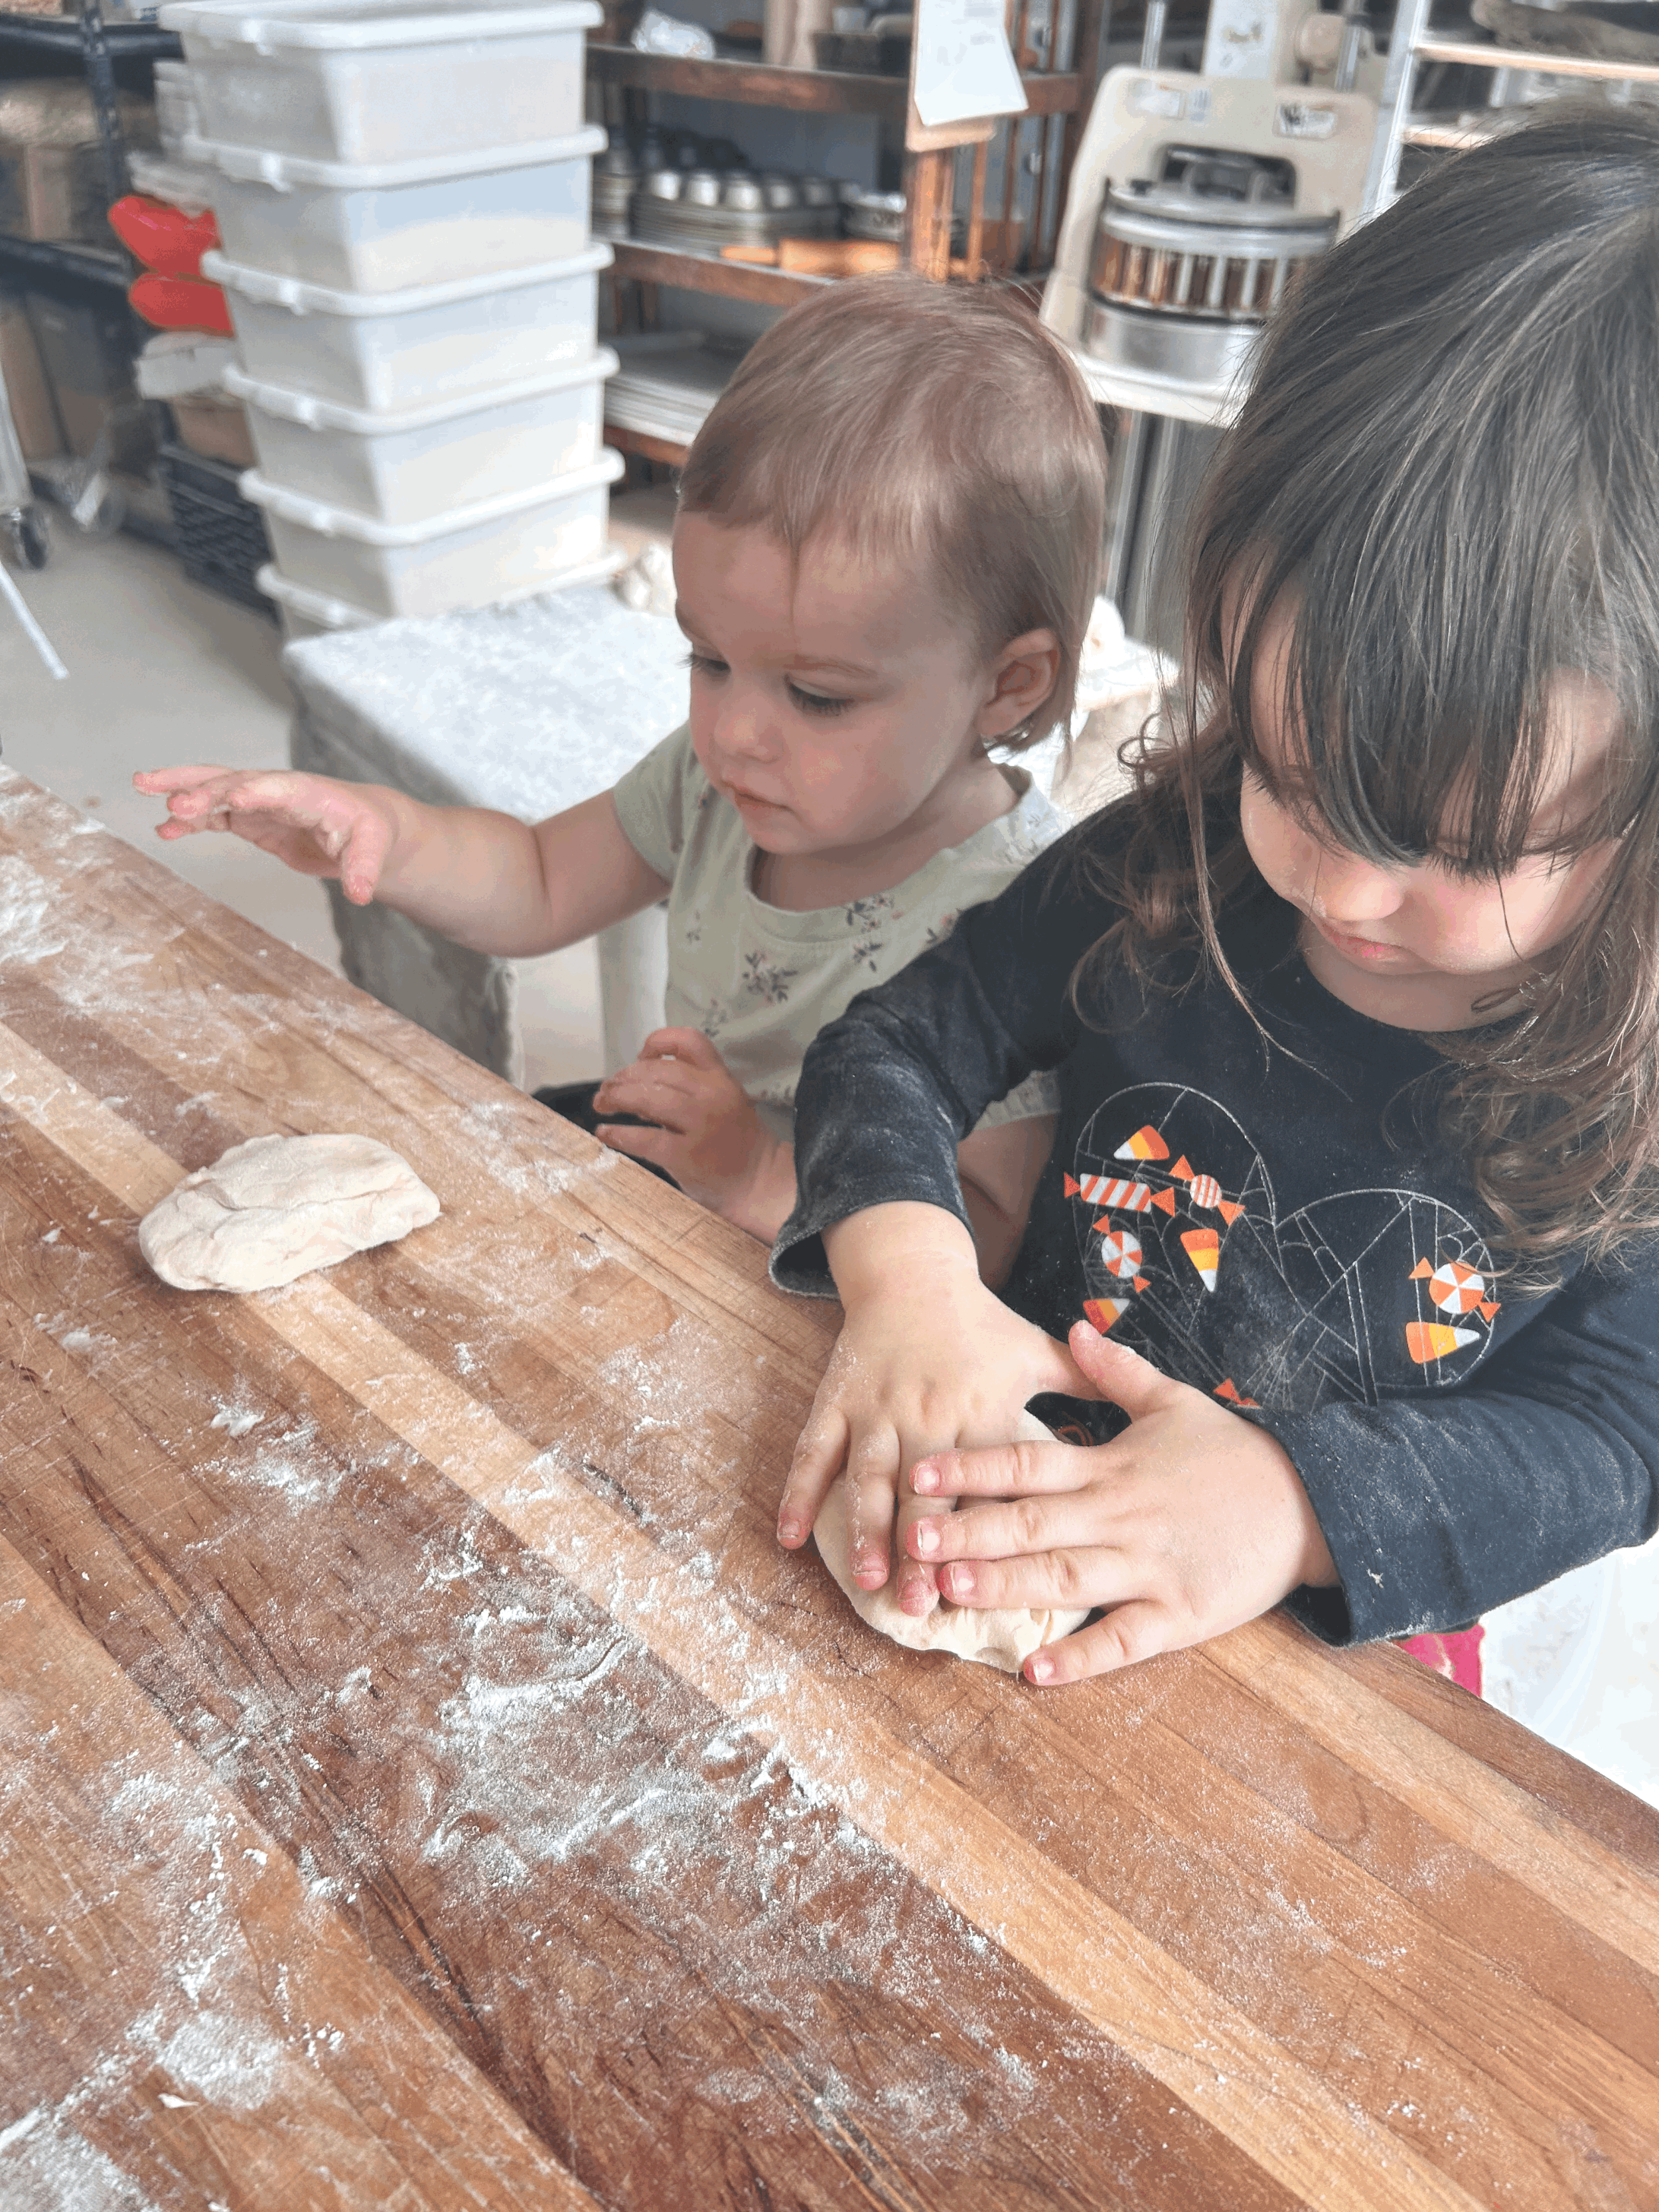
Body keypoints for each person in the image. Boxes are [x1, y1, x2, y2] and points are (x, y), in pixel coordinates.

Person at [770, 106, 1659, 1690]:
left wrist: (1293, 1501)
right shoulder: (1161, 872)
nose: (1329, 878)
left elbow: (1610, 1435)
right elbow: (896, 1043)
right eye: (1286, 764)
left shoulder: (1636, 1100)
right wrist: (908, 1276)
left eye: (1452, 847)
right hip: (1019, 1484)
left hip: (1336, 1635)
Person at [133, 277, 1108, 1271]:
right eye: (709, 660)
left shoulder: (1023, 916)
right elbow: (539, 880)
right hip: (683, 1174)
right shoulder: (718, 787)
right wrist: (391, 830)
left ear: (1007, 686)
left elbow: (993, 1236)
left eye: (815, 695)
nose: (734, 733)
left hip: (836, 1280)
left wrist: (761, 1177)